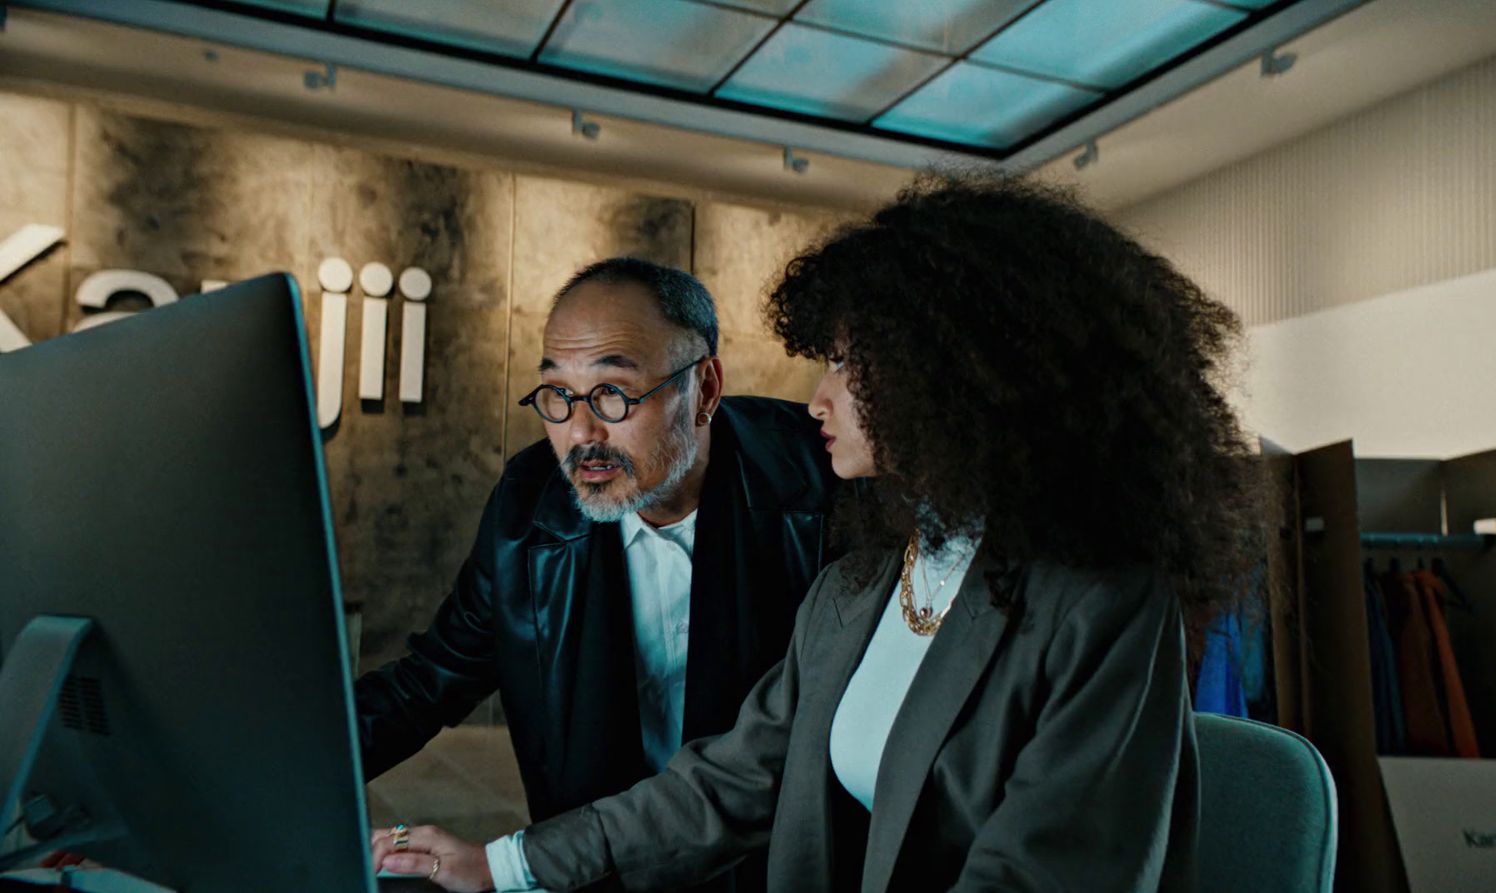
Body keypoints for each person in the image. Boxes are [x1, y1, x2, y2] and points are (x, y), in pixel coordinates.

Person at [374, 175, 1264, 891]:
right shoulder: (862, 584)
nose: (817, 397)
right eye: (559, 394)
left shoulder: (1102, 605)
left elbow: (1042, 869)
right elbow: (729, 780)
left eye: (845, 360)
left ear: (955, 375)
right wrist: (503, 864)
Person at [354, 258, 843, 893]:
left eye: (612, 393)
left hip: (773, 865)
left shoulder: (819, 485)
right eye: (557, 395)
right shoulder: (529, 506)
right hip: (592, 865)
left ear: (706, 389)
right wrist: (262, 776)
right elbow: (427, 683)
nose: (581, 432)